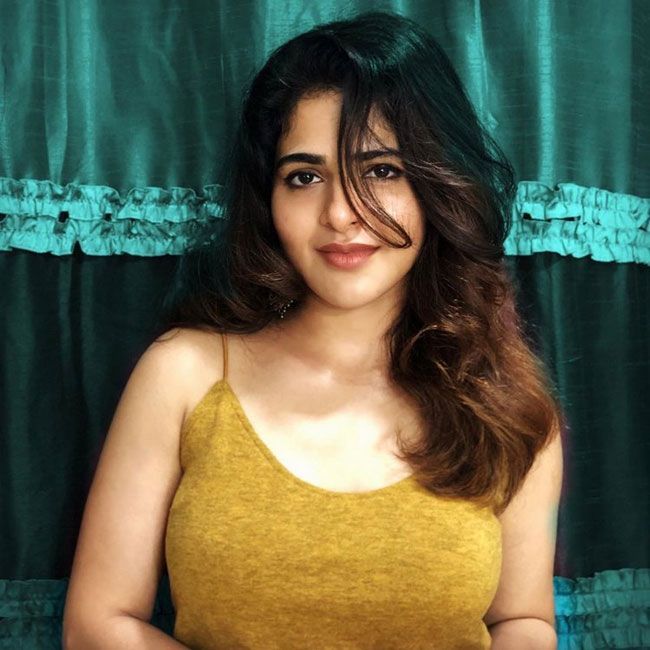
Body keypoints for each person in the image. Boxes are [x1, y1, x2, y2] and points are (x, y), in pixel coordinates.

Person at [62, 10, 564, 650]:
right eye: (305, 176)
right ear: (267, 199)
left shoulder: (511, 405)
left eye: (381, 170)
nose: (341, 213)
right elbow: (96, 624)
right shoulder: (184, 373)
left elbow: (522, 621)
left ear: (440, 184)